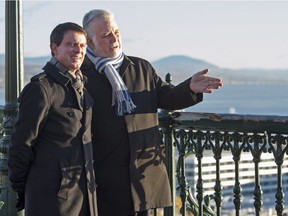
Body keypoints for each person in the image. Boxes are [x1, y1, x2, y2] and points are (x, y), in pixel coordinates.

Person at [81, 9, 223, 216]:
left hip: (143, 176)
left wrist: (189, 88)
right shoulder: (80, 75)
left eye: (117, 32)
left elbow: (165, 97)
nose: (114, 39)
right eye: (105, 35)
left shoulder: (140, 67)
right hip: (103, 179)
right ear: (90, 42)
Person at [8, 22, 98, 216]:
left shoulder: (82, 88)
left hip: (83, 194)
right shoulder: (41, 89)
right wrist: (24, 187)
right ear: (54, 48)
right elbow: (21, 144)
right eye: (71, 44)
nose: (78, 50)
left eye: (82, 46)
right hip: (51, 197)